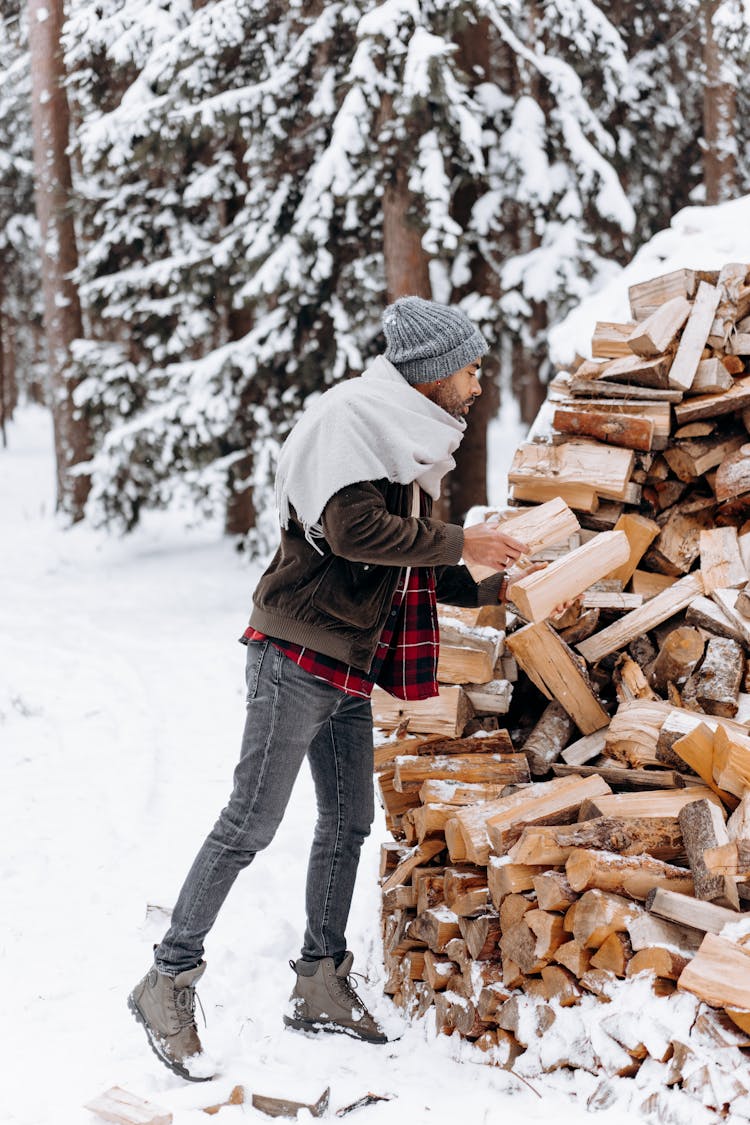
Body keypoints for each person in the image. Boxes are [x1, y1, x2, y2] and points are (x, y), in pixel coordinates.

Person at [128, 296, 535, 1081]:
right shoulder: (351, 420)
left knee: (349, 820)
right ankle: (166, 978)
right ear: (432, 371)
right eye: (471, 366)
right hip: (294, 651)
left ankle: (318, 977)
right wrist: (463, 538)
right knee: (250, 820)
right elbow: (354, 533)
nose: (480, 381)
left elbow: (405, 560)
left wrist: (493, 580)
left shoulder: (400, 436)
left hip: (349, 660)